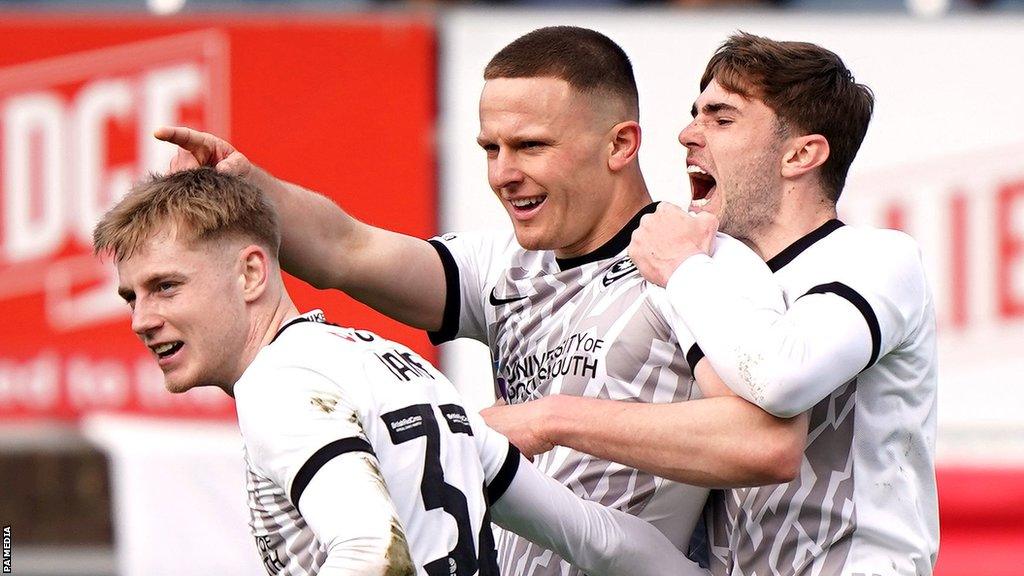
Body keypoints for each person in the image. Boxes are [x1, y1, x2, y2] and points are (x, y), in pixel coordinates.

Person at [154, 26, 804, 575]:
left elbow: (764, 445)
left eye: (530, 146)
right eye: (491, 149)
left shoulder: (698, 265)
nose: (502, 173)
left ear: (620, 145)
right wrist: (245, 186)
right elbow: (344, 250)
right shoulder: (501, 265)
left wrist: (551, 418)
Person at [91, 168, 708, 576]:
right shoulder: (395, 363)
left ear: (252, 273)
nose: (143, 318)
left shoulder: (278, 385)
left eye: (166, 287)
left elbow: (371, 549)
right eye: (131, 297)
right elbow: (599, 538)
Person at [485, 33, 939, 575]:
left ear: (801, 154)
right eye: (693, 115)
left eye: (721, 119)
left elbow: (781, 377)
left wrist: (552, 418)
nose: (686, 135)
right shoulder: (709, 277)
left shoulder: (876, 258)